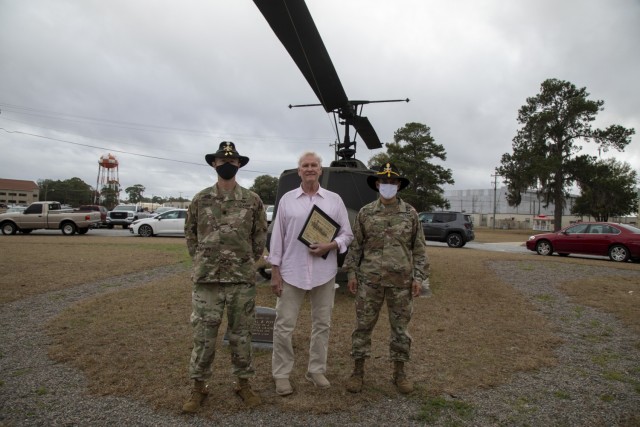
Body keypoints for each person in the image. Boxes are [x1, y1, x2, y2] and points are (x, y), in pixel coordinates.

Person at [182, 141, 268, 412]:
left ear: (239, 164)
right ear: (214, 164)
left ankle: (243, 384)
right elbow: (191, 235)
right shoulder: (201, 199)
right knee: (204, 337)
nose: (227, 165)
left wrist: (245, 261)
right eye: (222, 161)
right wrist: (204, 260)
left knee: (242, 335)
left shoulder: (252, 200)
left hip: (241, 280)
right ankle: (198, 388)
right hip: (207, 281)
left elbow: (259, 236)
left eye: (232, 161)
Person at [268, 151, 354, 396]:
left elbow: (347, 235)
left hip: (324, 273)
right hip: (291, 271)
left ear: (320, 170)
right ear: (299, 171)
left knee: (322, 324)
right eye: (305, 165)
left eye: (314, 165)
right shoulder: (287, 200)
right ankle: (282, 374)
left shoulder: (334, 200)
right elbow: (277, 238)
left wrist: (331, 246)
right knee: (284, 326)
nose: (309, 169)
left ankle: (316, 370)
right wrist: (275, 271)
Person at [343, 162, 429, 394]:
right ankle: (357, 372)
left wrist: (418, 277)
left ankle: (399, 373)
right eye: (384, 182)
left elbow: (419, 249)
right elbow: (356, 246)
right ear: (377, 184)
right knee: (362, 327)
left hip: (401, 283)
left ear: (398, 185)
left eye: (392, 182)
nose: (388, 185)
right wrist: (351, 273)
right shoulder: (366, 213)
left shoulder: (410, 214)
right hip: (369, 281)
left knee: (400, 329)